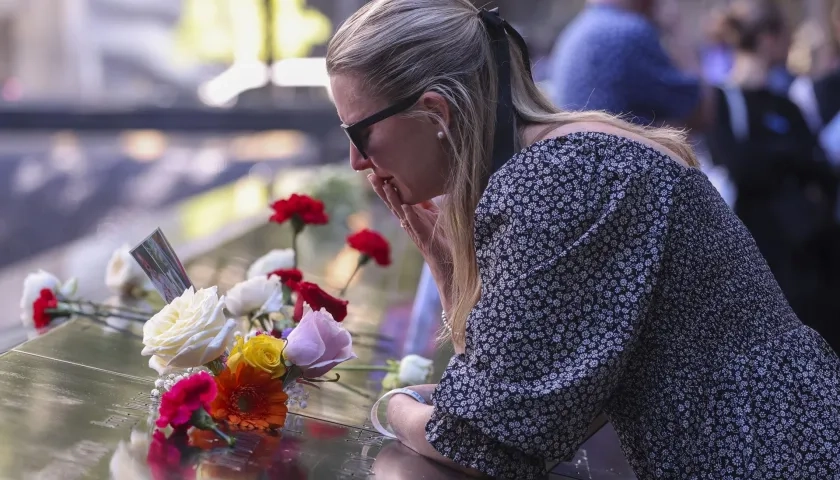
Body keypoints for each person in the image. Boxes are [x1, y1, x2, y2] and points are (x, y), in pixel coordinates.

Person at [326, 1, 840, 478]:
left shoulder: (559, 179)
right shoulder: (569, 155)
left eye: (358, 134)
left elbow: (483, 442)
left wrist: (393, 406)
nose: (356, 162)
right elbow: (507, 398)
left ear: (436, 113)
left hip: (765, 455)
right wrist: (445, 264)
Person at [705, 0, 840, 354]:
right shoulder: (722, 102)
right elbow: (741, 165)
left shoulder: (786, 104)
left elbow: (822, 168)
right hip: (759, 261)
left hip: (808, 258)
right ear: (768, 39)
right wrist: (791, 159)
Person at [548, 0, 715, 129]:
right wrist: (677, 32)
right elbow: (702, 111)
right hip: (627, 169)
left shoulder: (573, 32)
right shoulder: (629, 32)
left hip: (590, 165)